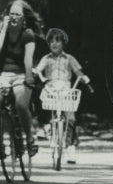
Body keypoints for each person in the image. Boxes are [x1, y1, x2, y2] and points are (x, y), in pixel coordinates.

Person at [0, 0, 42, 161]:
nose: (14, 17)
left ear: (24, 18)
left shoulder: (28, 34)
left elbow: (28, 59)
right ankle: (0, 144)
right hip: (1, 74)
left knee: (20, 103)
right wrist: (4, 29)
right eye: (11, 14)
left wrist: (29, 78)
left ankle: (29, 139)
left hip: (20, 74)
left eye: (18, 14)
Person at [33, 28, 91, 163]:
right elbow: (38, 69)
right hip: (51, 91)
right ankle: (47, 129)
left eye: (57, 41)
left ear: (63, 43)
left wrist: (83, 77)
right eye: (51, 41)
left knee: (70, 118)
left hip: (66, 91)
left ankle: (71, 148)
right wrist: (35, 71)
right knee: (45, 106)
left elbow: (78, 71)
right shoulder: (46, 59)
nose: (54, 44)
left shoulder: (69, 58)